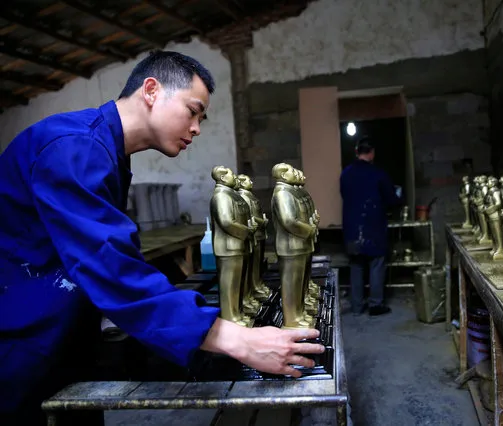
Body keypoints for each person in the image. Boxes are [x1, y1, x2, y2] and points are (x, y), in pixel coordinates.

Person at [0, 51, 324, 424]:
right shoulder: (73, 147)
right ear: (151, 90)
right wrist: (240, 340)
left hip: (61, 338)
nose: (197, 128)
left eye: (202, 118)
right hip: (23, 345)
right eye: (193, 110)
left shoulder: (106, 153)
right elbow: (110, 266)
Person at [340, 137, 400, 316]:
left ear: (356, 152)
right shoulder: (378, 173)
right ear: (372, 152)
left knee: (356, 265)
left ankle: (357, 306)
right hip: (373, 226)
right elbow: (391, 199)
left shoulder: (346, 174)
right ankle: (375, 304)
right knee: (376, 263)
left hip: (352, 228)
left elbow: (345, 195)